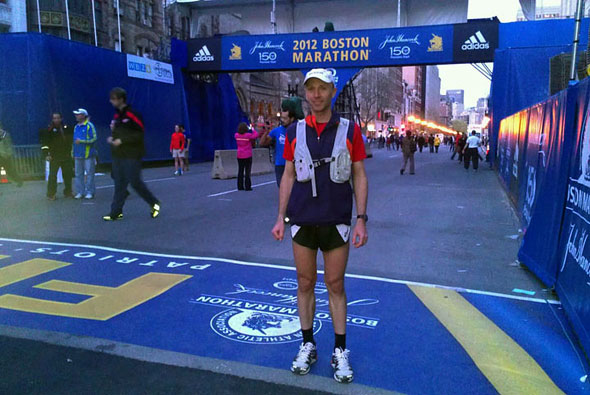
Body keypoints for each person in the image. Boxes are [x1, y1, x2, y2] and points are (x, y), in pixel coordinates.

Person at [271, 68, 368, 384]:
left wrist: (361, 220)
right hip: (302, 221)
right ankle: (307, 343)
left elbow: (359, 175)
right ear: (306, 93)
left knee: (336, 285)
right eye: (310, 89)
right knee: (304, 283)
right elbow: (288, 175)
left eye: (322, 88)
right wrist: (280, 218)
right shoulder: (296, 131)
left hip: (336, 221)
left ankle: (340, 350)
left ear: (333, 91)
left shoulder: (350, 130)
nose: (316, 94)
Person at [103, 87, 160, 221]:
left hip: (132, 154)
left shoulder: (133, 114)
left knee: (135, 182)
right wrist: (112, 138)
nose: (111, 101)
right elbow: (117, 133)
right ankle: (116, 212)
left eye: (113, 99)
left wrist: (122, 140)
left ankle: (154, 203)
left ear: (121, 99)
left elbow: (139, 134)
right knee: (119, 182)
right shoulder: (117, 116)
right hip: (119, 154)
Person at [261, 97, 304, 187]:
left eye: (285, 118)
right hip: (280, 165)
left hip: (294, 165)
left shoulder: (298, 130)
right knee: (282, 189)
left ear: (292, 118)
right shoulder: (277, 131)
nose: (282, 120)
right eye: (282, 118)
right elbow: (262, 143)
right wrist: (266, 130)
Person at [40, 113, 73, 200]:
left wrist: (71, 152)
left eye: (58, 118)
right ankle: (51, 194)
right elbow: (45, 144)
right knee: (52, 176)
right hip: (54, 156)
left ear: (61, 119)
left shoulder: (67, 129)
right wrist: (46, 154)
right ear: (52, 119)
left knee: (68, 175)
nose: (56, 120)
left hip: (66, 155)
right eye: (54, 118)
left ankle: (68, 192)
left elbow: (70, 141)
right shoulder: (49, 130)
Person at [72, 109, 97, 199]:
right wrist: (73, 152)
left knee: (90, 174)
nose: (76, 116)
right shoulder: (76, 127)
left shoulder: (89, 126)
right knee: (78, 174)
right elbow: (74, 141)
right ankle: (80, 192)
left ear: (83, 115)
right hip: (78, 154)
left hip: (88, 155)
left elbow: (94, 138)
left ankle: (90, 192)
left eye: (78, 114)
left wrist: (82, 141)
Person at [235, 122, 258, 191]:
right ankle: (247, 186)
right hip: (247, 155)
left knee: (240, 171)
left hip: (239, 155)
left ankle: (240, 186)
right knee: (247, 171)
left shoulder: (236, 135)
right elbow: (255, 135)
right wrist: (252, 129)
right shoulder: (248, 135)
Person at [0, 123, 23, 187]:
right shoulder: (5, 134)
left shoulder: (5, 135)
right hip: (3, 155)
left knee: (10, 171)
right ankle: (19, 180)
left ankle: (19, 180)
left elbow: (8, 146)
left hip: (5, 156)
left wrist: (8, 154)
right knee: (10, 170)